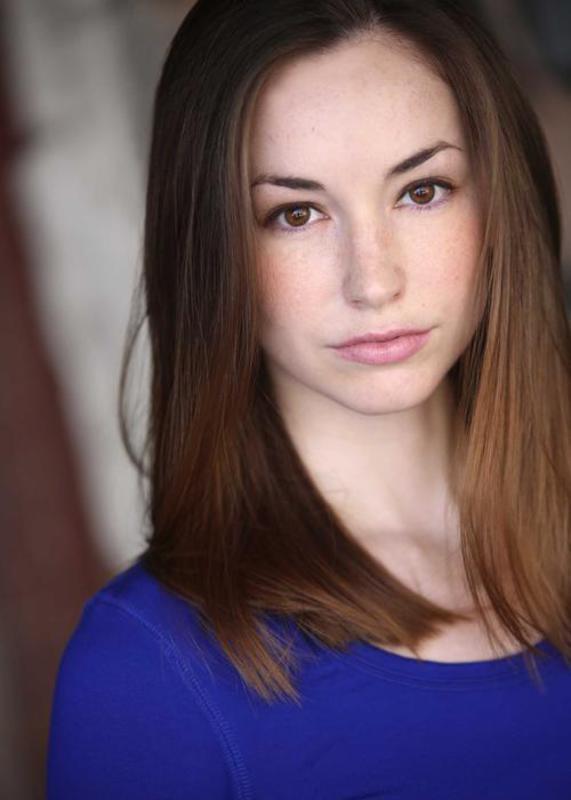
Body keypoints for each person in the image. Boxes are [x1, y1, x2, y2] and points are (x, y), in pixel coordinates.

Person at [46, 0, 571, 797]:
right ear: (211, 248)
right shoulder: (143, 678)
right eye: (295, 213)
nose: (373, 280)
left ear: (501, 199)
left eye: (421, 190)